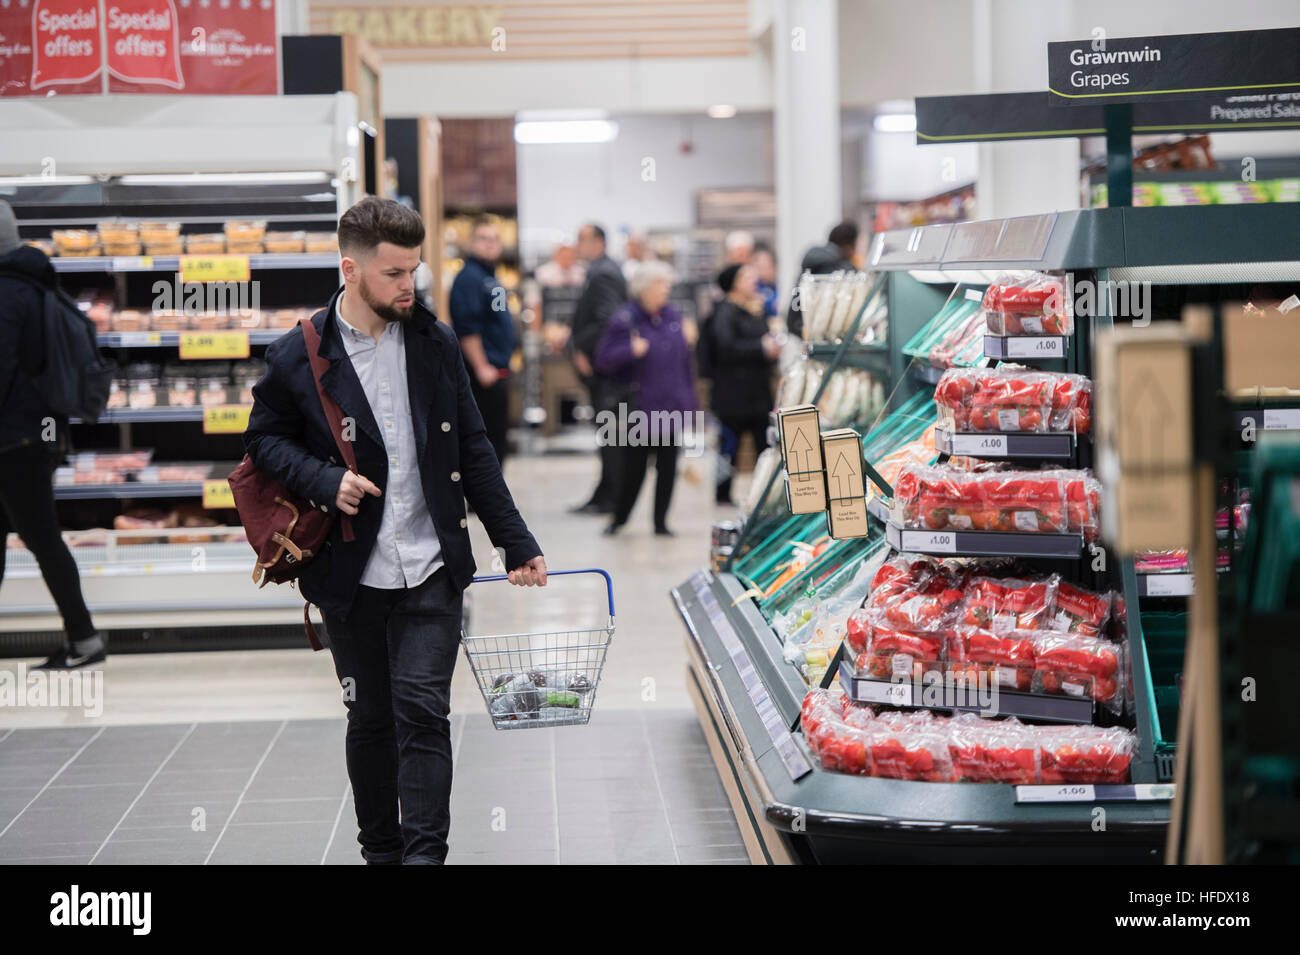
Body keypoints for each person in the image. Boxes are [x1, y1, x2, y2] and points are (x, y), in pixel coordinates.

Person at [244, 197, 547, 866]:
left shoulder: (433, 342)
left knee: (422, 713)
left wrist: (515, 539)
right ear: (350, 269)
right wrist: (325, 481)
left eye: (414, 270)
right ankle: (380, 852)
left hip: (433, 567)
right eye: (393, 274)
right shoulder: (302, 353)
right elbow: (262, 438)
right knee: (371, 718)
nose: (409, 286)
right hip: (350, 572)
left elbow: (473, 445)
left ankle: (423, 858)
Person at [0, 201, 105, 670]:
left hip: (14, 439)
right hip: (32, 435)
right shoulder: (35, 281)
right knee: (36, 536)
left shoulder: (5, 292)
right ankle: (82, 638)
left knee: (42, 536)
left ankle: (84, 640)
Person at [594, 261, 696, 537]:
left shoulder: (673, 316)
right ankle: (620, 518)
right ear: (645, 288)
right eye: (661, 283)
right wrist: (630, 349)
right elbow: (602, 359)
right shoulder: (625, 319)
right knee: (634, 469)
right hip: (640, 409)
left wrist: (689, 402)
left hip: (670, 406)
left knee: (668, 468)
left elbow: (685, 364)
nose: (666, 289)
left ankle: (661, 522)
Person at [568, 223, 628, 515]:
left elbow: (608, 319)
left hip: (605, 370)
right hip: (603, 369)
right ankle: (605, 493)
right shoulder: (601, 270)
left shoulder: (604, 273)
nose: (577, 245)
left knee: (611, 433)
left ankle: (612, 498)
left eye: (581, 239)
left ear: (598, 242)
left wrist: (581, 346)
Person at [710, 262, 781, 506]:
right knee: (728, 447)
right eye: (746, 277)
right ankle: (721, 492)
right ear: (734, 283)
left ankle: (765, 493)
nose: (754, 281)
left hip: (757, 392)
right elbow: (726, 347)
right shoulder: (725, 312)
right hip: (733, 394)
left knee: (765, 447)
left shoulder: (755, 309)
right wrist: (761, 348)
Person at [449, 216, 514, 467]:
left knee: (498, 437)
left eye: (495, 239)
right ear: (471, 242)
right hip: (482, 374)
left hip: (498, 370)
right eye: (483, 239)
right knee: (485, 440)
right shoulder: (468, 277)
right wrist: (481, 366)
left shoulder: (491, 276)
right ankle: (483, 504)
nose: (490, 244)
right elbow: (467, 327)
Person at [786, 219, 859, 338]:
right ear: (849, 245)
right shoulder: (842, 268)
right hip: (823, 338)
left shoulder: (813, 260)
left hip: (798, 328)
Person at [751, 242, 779, 318]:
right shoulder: (752, 288)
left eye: (766, 267)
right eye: (759, 267)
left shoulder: (780, 286)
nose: (763, 271)